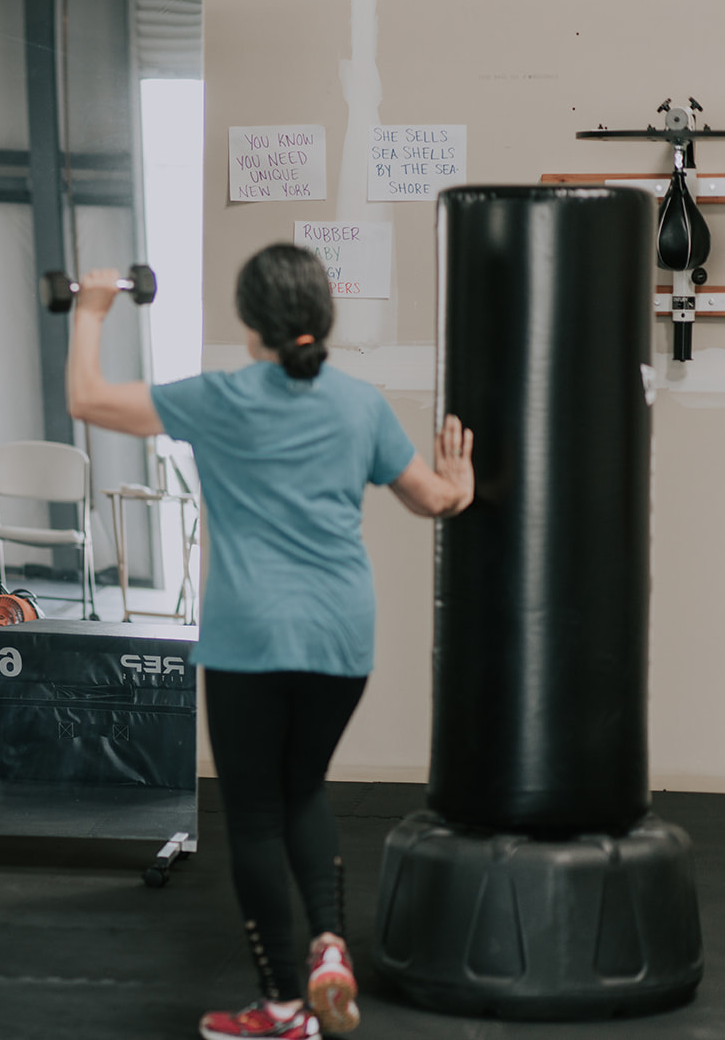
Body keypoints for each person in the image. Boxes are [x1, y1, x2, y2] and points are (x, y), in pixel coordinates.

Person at [65, 245, 475, 1039]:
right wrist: (459, 485)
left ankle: (285, 1005)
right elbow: (431, 499)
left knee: (253, 815)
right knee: (306, 790)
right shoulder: (361, 404)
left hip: (252, 637)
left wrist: (91, 306)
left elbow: (87, 398)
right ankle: (328, 947)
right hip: (342, 634)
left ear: (251, 326)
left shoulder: (220, 398)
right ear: (321, 318)